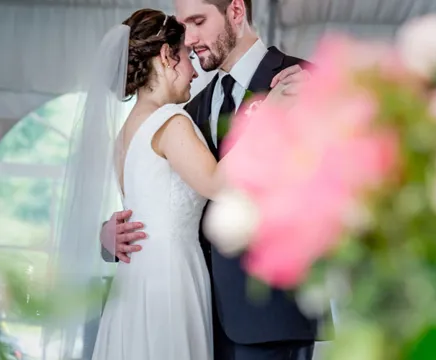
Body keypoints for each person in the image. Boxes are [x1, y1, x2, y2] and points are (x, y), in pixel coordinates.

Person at [100, 1, 324, 359]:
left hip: (270, 315)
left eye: (198, 21)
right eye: (183, 26)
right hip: (194, 311)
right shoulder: (186, 110)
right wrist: (111, 236)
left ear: (236, 11)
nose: (188, 39)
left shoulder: (306, 81)